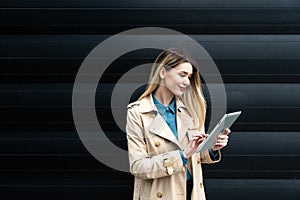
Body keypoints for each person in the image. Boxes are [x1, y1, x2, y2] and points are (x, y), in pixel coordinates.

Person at [126, 48, 231, 200]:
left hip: (192, 194)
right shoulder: (138, 113)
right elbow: (138, 167)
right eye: (182, 75)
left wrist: (211, 147)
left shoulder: (191, 109)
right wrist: (182, 155)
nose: (187, 82)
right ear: (163, 73)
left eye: (189, 77)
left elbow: (197, 156)